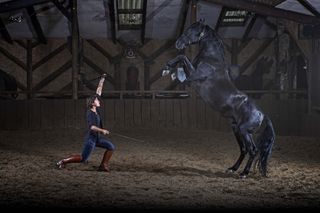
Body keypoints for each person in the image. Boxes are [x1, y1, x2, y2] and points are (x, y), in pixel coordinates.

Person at [56, 74, 115, 172]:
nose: (99, 101)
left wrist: (102, 79)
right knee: (83, 158)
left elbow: (99, 91)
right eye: (96, 100)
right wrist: (102, 130)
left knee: (111, 147)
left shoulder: (95, 110)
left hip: (97, 138)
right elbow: (92, 127)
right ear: (92, 103)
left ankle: (103, 165)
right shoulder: (90, 113)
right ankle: (63, 161)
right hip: (90, 139)